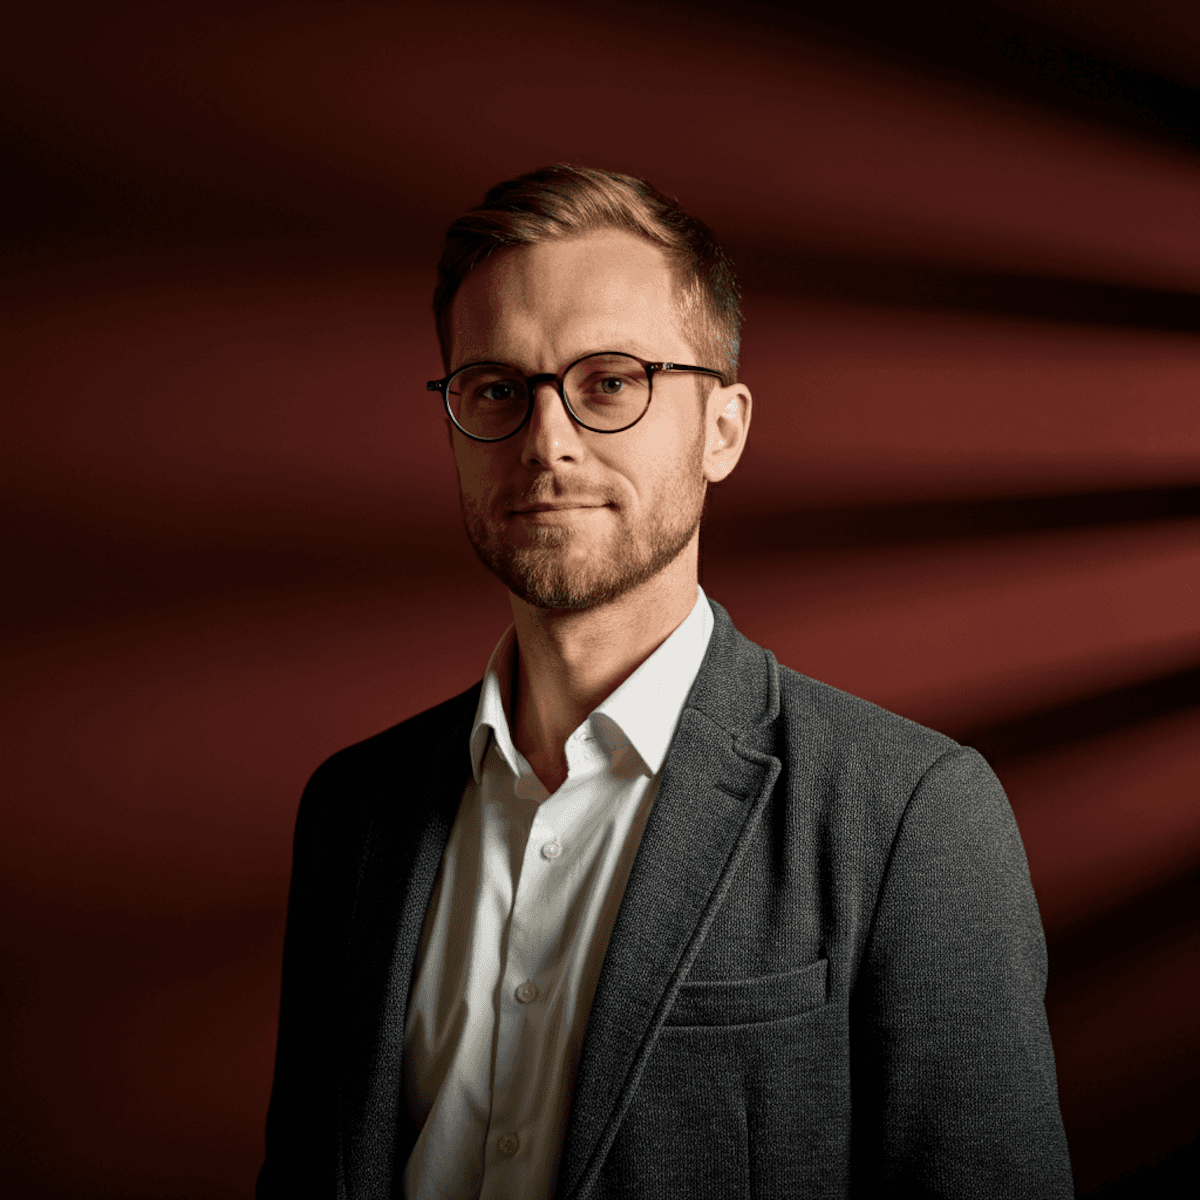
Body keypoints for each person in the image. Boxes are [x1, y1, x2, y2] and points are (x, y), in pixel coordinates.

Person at [258, 164, 1074, 1199]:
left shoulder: (913, 815)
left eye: (609, 381)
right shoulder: (353, 810)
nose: (546, 442)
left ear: (722, 429)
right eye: (495, 389)